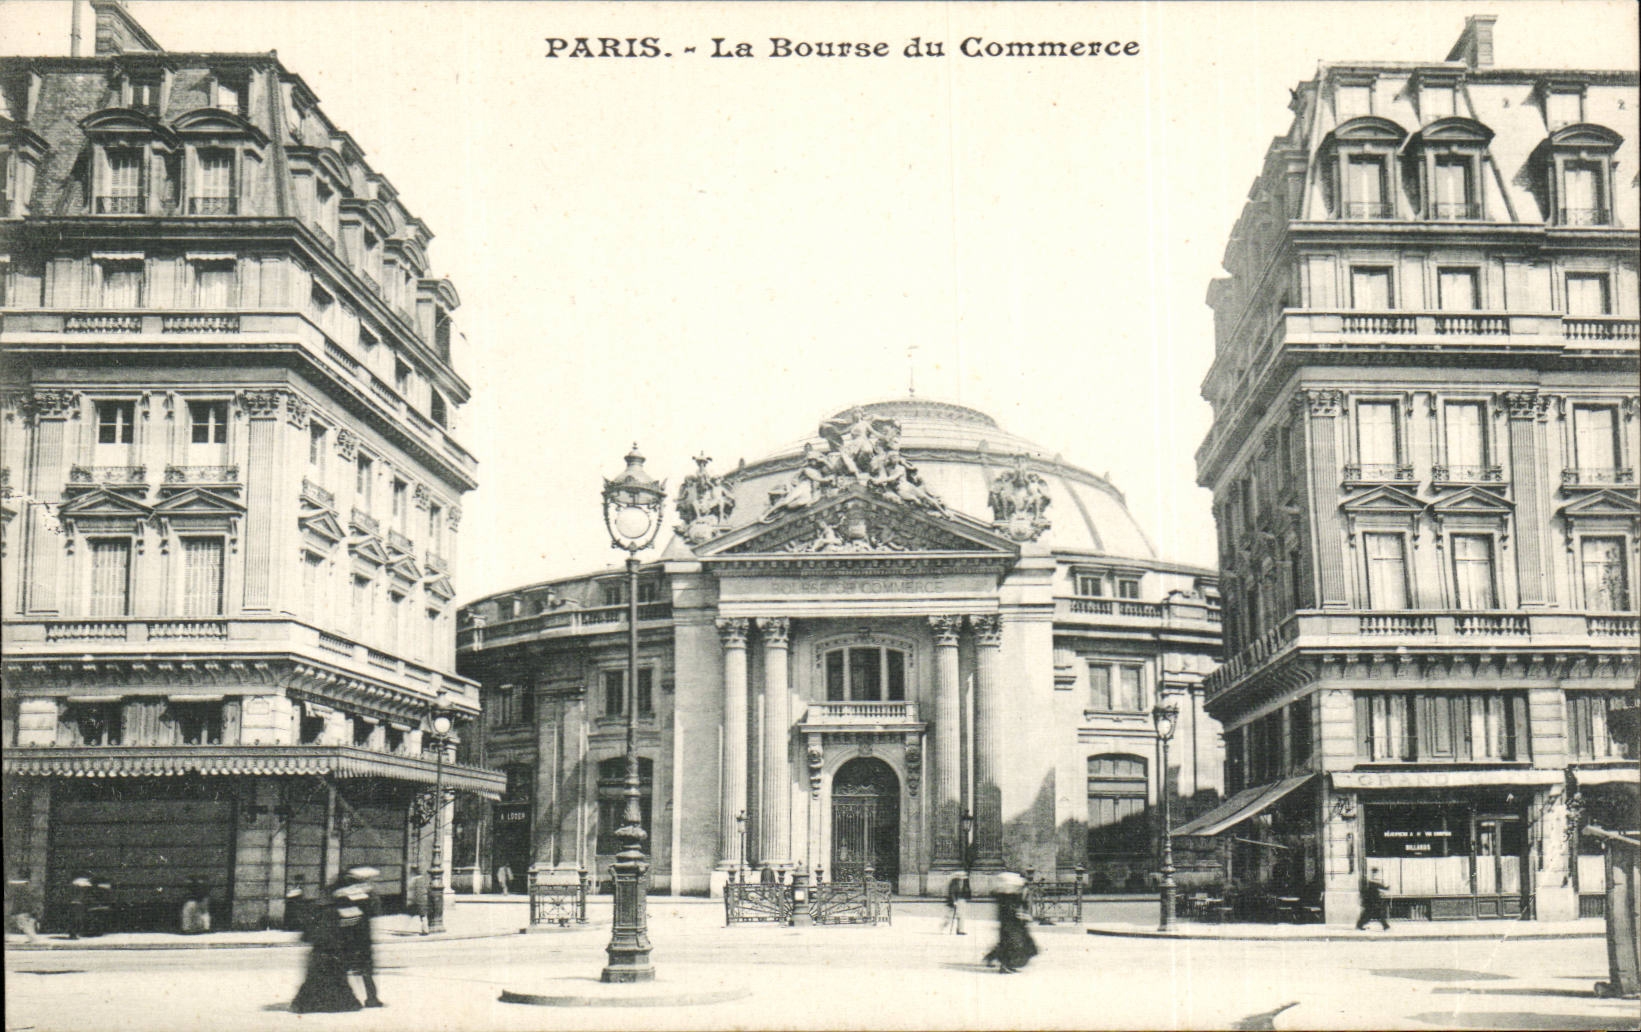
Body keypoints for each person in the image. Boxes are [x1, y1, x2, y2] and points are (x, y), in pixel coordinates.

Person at [291, 879, 362, 1013]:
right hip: (335, 952)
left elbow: (313, 929)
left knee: (316, 981)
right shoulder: (341, 912)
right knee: (337, 981)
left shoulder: (323, 912)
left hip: (322, 952)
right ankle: (344, 1004)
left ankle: (307, 1006)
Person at [335, 867, 384, 1008]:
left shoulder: (340, 894)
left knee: (343, 969)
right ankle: (372, 998)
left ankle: (344, 999)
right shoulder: (365, 894)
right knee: (366, 971)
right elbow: (375, 910)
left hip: (346, 937)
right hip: (362, 937)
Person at [983, 873, 1038, 974]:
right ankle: (1005, 966)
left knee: (1012, 944)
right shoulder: (1006, 896)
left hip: (1013, 922)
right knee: (1010, 944)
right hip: (1009, 923)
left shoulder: (1011, 895)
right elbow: (1010, 910)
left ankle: (1006, 964)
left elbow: (1020, 905)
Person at [66, 872, 93, 940]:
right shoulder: (80, 885)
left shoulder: (75, 885)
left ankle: (74, 933)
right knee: (77, 919)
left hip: (76, 903)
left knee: (76, 919)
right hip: (77, 903)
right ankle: (74, 934)